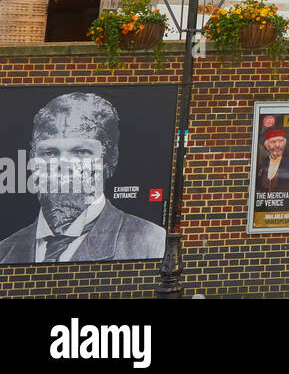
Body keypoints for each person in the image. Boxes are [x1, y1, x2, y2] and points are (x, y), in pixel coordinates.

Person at [0, 92, 165, 263]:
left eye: (81, 152)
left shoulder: (151, 242)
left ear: (111, 158)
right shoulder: (5, 251)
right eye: (49, 152)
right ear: (32, 159)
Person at [254, 128, 289, 208]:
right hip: (264, 210)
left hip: (285, 209)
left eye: (280, 141)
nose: (278, 145)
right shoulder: (261, 165)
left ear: (284, 143)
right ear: (267, 146)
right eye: (273, 142)